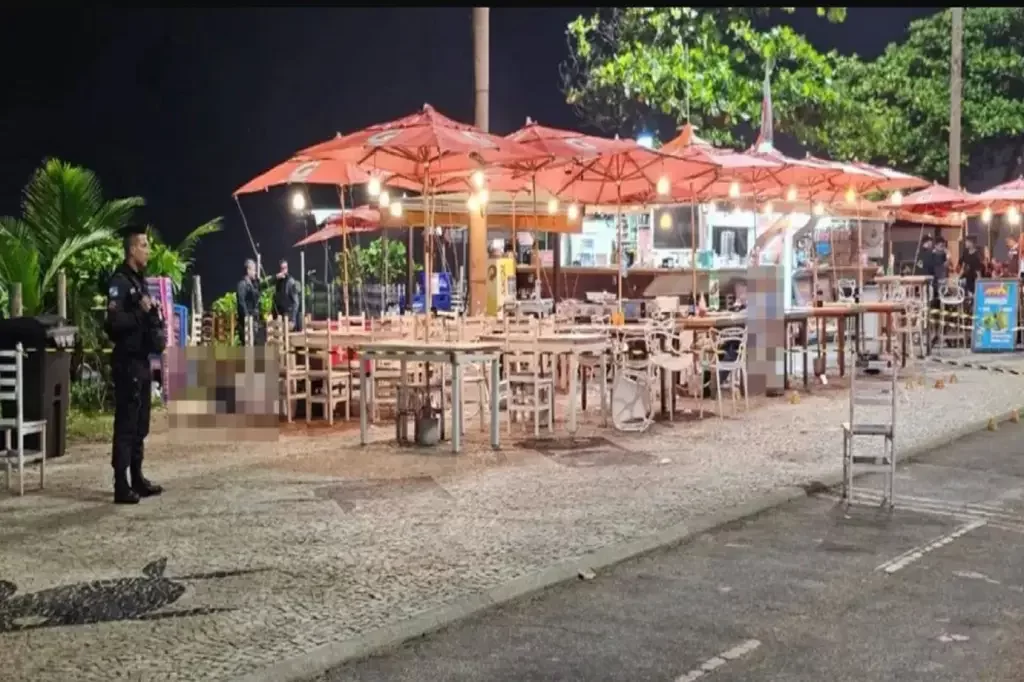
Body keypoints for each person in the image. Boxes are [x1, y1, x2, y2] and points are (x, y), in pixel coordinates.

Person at [105, 226, 165, 504]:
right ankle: (121, 483)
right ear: (131, 250)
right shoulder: (119, 282)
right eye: (143, 245)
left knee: (141, 425)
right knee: (126, 425)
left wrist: (153, 314)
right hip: (127, 361)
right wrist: (140, 314)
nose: (148, 250)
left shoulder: (140, 283)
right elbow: (114, 324)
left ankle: (137, 477)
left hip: (142, 361)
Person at [236, 259, 261, 344]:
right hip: (246, 323)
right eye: (254, 270)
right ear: (248, 270)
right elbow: (241, 303)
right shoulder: (242, 284)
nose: (255, 272)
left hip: (253, 321)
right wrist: (247, 318)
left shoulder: (252, 284)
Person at [272, 258, 301, 331]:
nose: (284, 270)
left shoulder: (290, 281)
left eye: (285, 268)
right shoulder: (278, 281)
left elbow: (296, 302)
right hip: (279, 316)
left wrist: (293, 319)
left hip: (288, 316)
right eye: (282, 268)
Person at [960, 236, 984, 301]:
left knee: (973, 298)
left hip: (974, 281)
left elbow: (978, 273)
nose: (965, 243)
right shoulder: (965, 252)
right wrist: (959, 277)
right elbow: (963, 266)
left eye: (966, 242)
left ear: (971, 243)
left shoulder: (977, 255)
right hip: (966, 279)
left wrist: (979, 285)